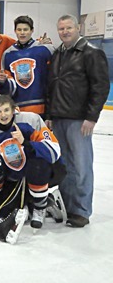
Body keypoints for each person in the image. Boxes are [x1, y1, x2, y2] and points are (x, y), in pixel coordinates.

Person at [46, 14, 110, 228]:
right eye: (61, 28)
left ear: (78, 27)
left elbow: (100, 87)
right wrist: (49, 115)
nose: (65, 31)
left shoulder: (91, 53)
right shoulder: (57, 54)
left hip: (79, 120)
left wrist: (91, 117)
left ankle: (81, 210)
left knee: (81, 166)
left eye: (69, 28)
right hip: (58, 118)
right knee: (64, 167)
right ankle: (68, 207)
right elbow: (51, 86)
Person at [0, 95, 61, 228]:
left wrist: (26, 143)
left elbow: (54, 151)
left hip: (35, 172)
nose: (3, 115)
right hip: (8, 177)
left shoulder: (31, 120)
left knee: (39, 164)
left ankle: (39, 206)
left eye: (6, 110)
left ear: (14, 110)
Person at [0, 15, 54, 115]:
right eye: (19, 29)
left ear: (32, 30)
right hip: (18, 109)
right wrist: (2, 82)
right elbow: (8, 87)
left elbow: (53, 79)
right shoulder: (8, 54)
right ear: (15, 31)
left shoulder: (45, 49)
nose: (22, 33)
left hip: (42, 108)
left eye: (25, 29)